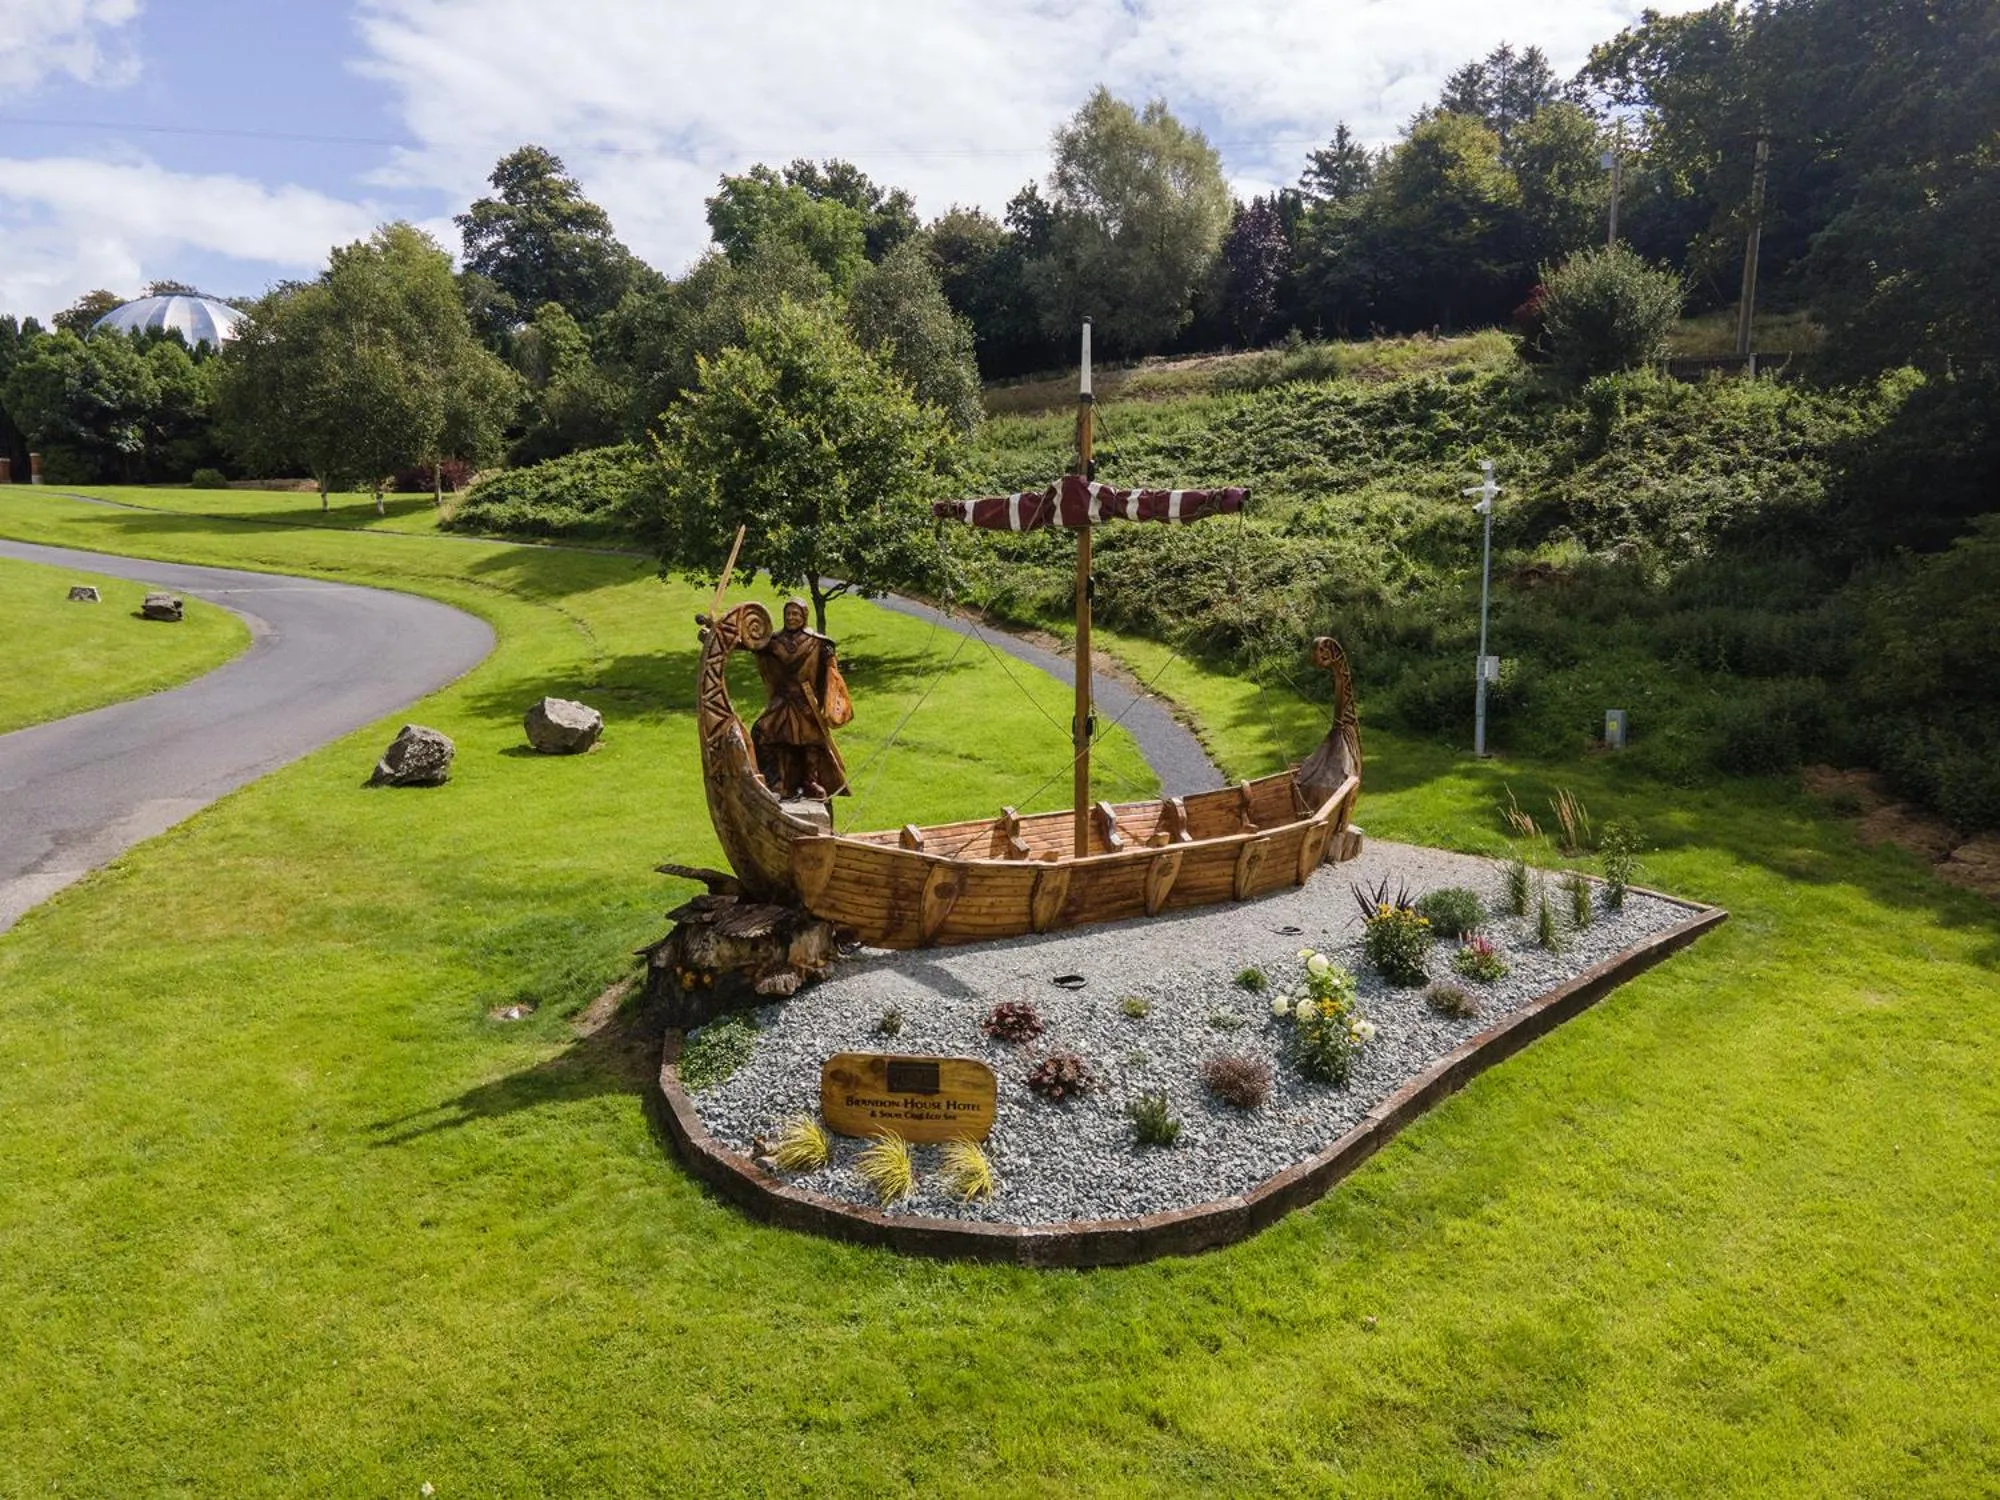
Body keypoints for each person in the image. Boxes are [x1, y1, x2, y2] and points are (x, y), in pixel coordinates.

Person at [750, 599, 852, 798]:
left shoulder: (817, 642)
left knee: (810, 741)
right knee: (763, 734)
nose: (791, 618)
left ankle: (810, 781)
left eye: (796, 614)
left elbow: (831, 674)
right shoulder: (774, 642)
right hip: (782, 701)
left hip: (805, 701)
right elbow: (749, 643)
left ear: (804, 616)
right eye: (788, 614)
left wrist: (829, 701)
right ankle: (776, 781)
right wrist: (716, 633)